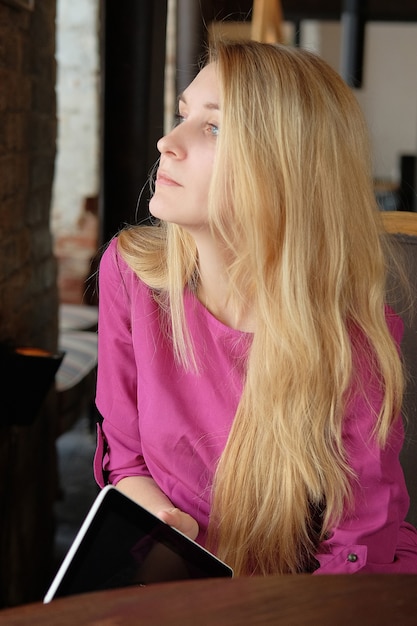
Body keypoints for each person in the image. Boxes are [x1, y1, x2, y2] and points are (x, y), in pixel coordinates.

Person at [94, 40, 417, 575]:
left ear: (283, 169)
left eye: (213, 127)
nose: (166, 142)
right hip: (181, 570)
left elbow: (358, 546)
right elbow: (125, 458)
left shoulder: (350, 339)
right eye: (183, 115)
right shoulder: (132, 274)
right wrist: (169, 532)